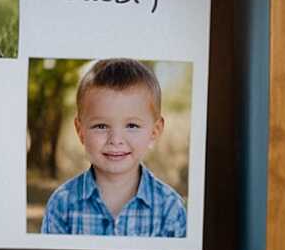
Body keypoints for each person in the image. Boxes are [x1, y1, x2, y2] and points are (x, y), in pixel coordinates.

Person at [41, 58, 187, 237]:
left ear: (155, 131)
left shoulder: (170, 209)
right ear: (80, 131)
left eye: (132, 125)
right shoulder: (61, 204)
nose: (116, 140)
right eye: (101, 126)